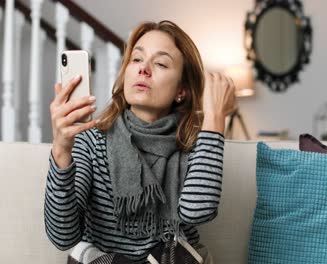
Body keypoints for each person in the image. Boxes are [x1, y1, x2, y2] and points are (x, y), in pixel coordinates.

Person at [45, 20, 236, 264]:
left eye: (160, 63)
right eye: (136, 59)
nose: (143, 69)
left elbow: (197, 211)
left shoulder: (195, 143)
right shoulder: (91, 140)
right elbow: (62, 237)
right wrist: (61, 149)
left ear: (181, 91)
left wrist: (214, 119)